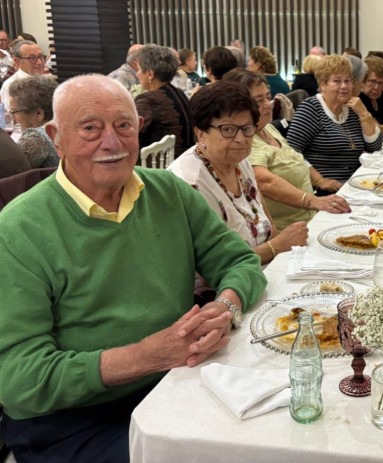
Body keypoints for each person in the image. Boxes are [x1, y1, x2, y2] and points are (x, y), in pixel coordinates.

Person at [0, 74, 265, 462]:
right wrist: (145, 356)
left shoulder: (168, 192)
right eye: (90, 128)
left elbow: (240, 260)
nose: (111, 141)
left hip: (173, 386)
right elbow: (19, 379)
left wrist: (226, 307)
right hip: (72, 422)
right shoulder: (18, 230)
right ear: (56, 136)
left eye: (123, 125)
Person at [169, 80, 308, 264]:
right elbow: (211, 267)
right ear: (200, 133)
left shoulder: (239, 162)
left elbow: (269, 225)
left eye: (247, 128)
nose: (240, 139)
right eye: (228, 129)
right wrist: (277, 247)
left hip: (264, 272)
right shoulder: (188, 183)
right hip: (225, 288)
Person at [224, 69, 350, 229]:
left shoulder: (267, 128)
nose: (267, 105)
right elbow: (263, 181)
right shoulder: (244, 140)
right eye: (259, 101)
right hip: (289, 228)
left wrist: (319, 180)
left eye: (267, 98)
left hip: (312, 217)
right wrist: (313, 201)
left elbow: (294, 156)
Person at [286, 54, 382, 185]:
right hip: (326, 189)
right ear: (323, 85)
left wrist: (364, 114)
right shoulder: (311, 109)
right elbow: (291, 152)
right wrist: (320, 180)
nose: (344, 86)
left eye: (347, 81)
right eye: (337, 81)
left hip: (355, 182)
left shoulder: (352, 108)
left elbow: (374, 147)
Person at [134, 44, 193, 155]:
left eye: (139, 70)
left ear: (150, 74)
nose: (137, 75)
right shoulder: (180, 93)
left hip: (158, 167)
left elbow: (131, 135)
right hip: (186, 159)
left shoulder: (147, 101)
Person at [7, 75, 59, 168]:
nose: (13, 118)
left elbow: (8, 170)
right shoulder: (65, 125)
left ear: (39, 113)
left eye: (14, 112)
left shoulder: (37, 137)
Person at [1, 40, 47, 108]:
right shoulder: (10, 86)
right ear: (17, 61)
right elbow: (9, 116)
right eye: (32, 58)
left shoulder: (48, 79)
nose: (39, 62)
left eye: (40, 56)